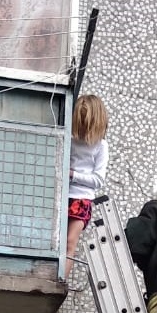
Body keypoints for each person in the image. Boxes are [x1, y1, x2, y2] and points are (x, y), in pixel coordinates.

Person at [65, 94, 109, 279]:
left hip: (82, 199)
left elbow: (98, 180)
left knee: (70, 242)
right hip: (63, 195)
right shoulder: (70, 138)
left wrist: (73, 175)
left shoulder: (100, 146)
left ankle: (60, 279)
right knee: (56, 241)